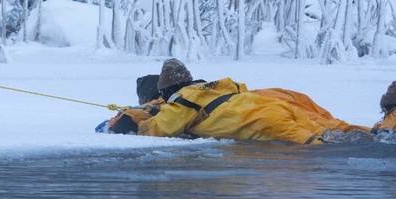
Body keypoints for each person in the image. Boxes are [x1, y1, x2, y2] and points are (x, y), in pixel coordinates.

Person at [100, 59, 366, 143]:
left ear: (169, 90)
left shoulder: (182, 101)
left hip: (263, 123)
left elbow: (160, 129)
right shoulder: (211, 89)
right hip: (276, 108)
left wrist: (130, 126)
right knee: (337, 136)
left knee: (319, 152)